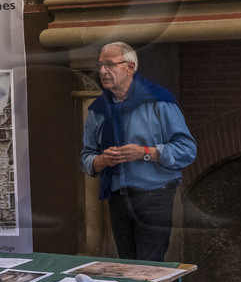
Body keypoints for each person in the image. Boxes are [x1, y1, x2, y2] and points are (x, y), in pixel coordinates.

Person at [79, 41, 197, 262]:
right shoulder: (98, 110)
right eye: (101, 66)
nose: (103, 71)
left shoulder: (159, 102)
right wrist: (102, 160)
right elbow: (86, 157)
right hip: (118, 200)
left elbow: (187, 149)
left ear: (130, 67)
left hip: (155, 196)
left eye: (110, 65)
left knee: (148, 269)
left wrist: (144, 152)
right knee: (127, 266)